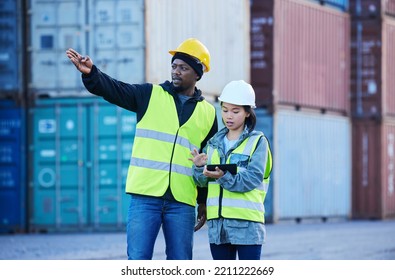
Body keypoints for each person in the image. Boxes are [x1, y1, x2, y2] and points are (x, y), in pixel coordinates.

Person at [66, 38, 218, 260]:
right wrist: (92, 74)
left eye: (183, 68)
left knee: (181, 263)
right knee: (138, 260)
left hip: (183, 201)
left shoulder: (209, 113)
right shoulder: (150, 95)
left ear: (197, 74)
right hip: (145, 197)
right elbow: (115, 90)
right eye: (174, 66)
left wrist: (203, 201)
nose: (176, 72)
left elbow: (207, 161)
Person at [190, 80, 272, 260]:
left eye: (235, 111)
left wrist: (223, 177)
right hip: (218, 226)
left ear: (247, 112)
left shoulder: (258, 142)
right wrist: (198, 167)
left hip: (247, 225)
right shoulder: (213, 143)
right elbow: (203, 181)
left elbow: (252, 179)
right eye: (225, 110)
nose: (229, 116)